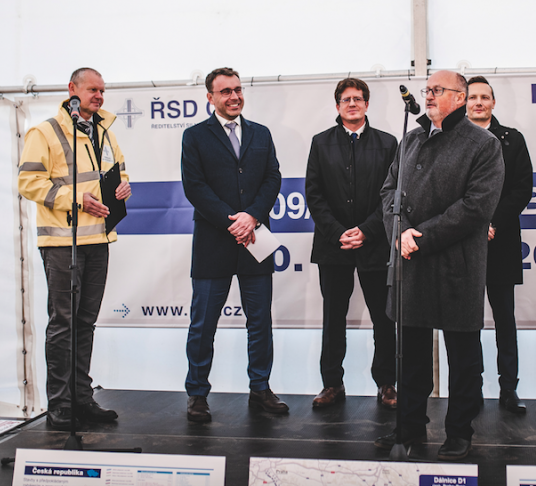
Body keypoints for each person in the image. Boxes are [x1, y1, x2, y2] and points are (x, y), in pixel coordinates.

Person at [376, 70, 504, 461]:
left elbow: (476, 206)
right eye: (427, 89)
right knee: (411, 356)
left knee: (463, 358)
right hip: (410, 263)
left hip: (455, 264)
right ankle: (410, 426)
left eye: (438, 90)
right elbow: (388, 191)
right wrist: (399, 232)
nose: (429, 95)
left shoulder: (483, 144)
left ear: (460, 97)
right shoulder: (411, 139)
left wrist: (421, 236)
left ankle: (460, 431)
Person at [18, 67, 132, 429]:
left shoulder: (104, 131)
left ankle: (82, 398)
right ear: (72, 89)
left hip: (99, 240)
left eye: (102, 90)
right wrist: (76, 199)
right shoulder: (45, 132)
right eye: (93, 89)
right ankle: (60, 404)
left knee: (85, 323)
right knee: (63, 323)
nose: (99, 96)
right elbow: (28, 182)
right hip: (62, 242)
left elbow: (118, 171)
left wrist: (123, 186)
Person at [181, 67, 286, 422]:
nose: (234, 96)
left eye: (238, 89)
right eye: (225, 91)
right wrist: (234, 221)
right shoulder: (195, 136)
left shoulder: (261, 133)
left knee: (260, 322)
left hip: (256, 239)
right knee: (203, 325)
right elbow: (195, 187)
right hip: (214, 242)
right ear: (210, 97)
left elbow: (273, 178)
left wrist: (252, 216)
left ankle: (261, 388)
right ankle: (197, 393)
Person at [305, 78, 398, 410]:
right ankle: (332, 383)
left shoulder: (388, 143)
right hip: (334, 246)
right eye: (346, 99)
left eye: (358, 99)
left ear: (367, 104)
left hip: (375, 244)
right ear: (337, 106)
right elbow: (314, 194)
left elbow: (392, 195)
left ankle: (386, 383)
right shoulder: (320, 143)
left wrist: (367, 230)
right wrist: (337, 233)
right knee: (333, 319)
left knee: (384, 319)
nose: (353, 104)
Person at [465, 76, 532, 413]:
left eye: (484, 97)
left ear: (493, 102)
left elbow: (522, 188)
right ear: (464, 103)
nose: (478, 102)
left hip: (501, 240)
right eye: (472, 97)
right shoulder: (452, 140)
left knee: (505, 318)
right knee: (468, 321)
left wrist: (492, 223)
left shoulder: (513, 139)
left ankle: (509, 389)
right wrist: (473, 226)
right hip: (463, 243)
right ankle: (471, 389)